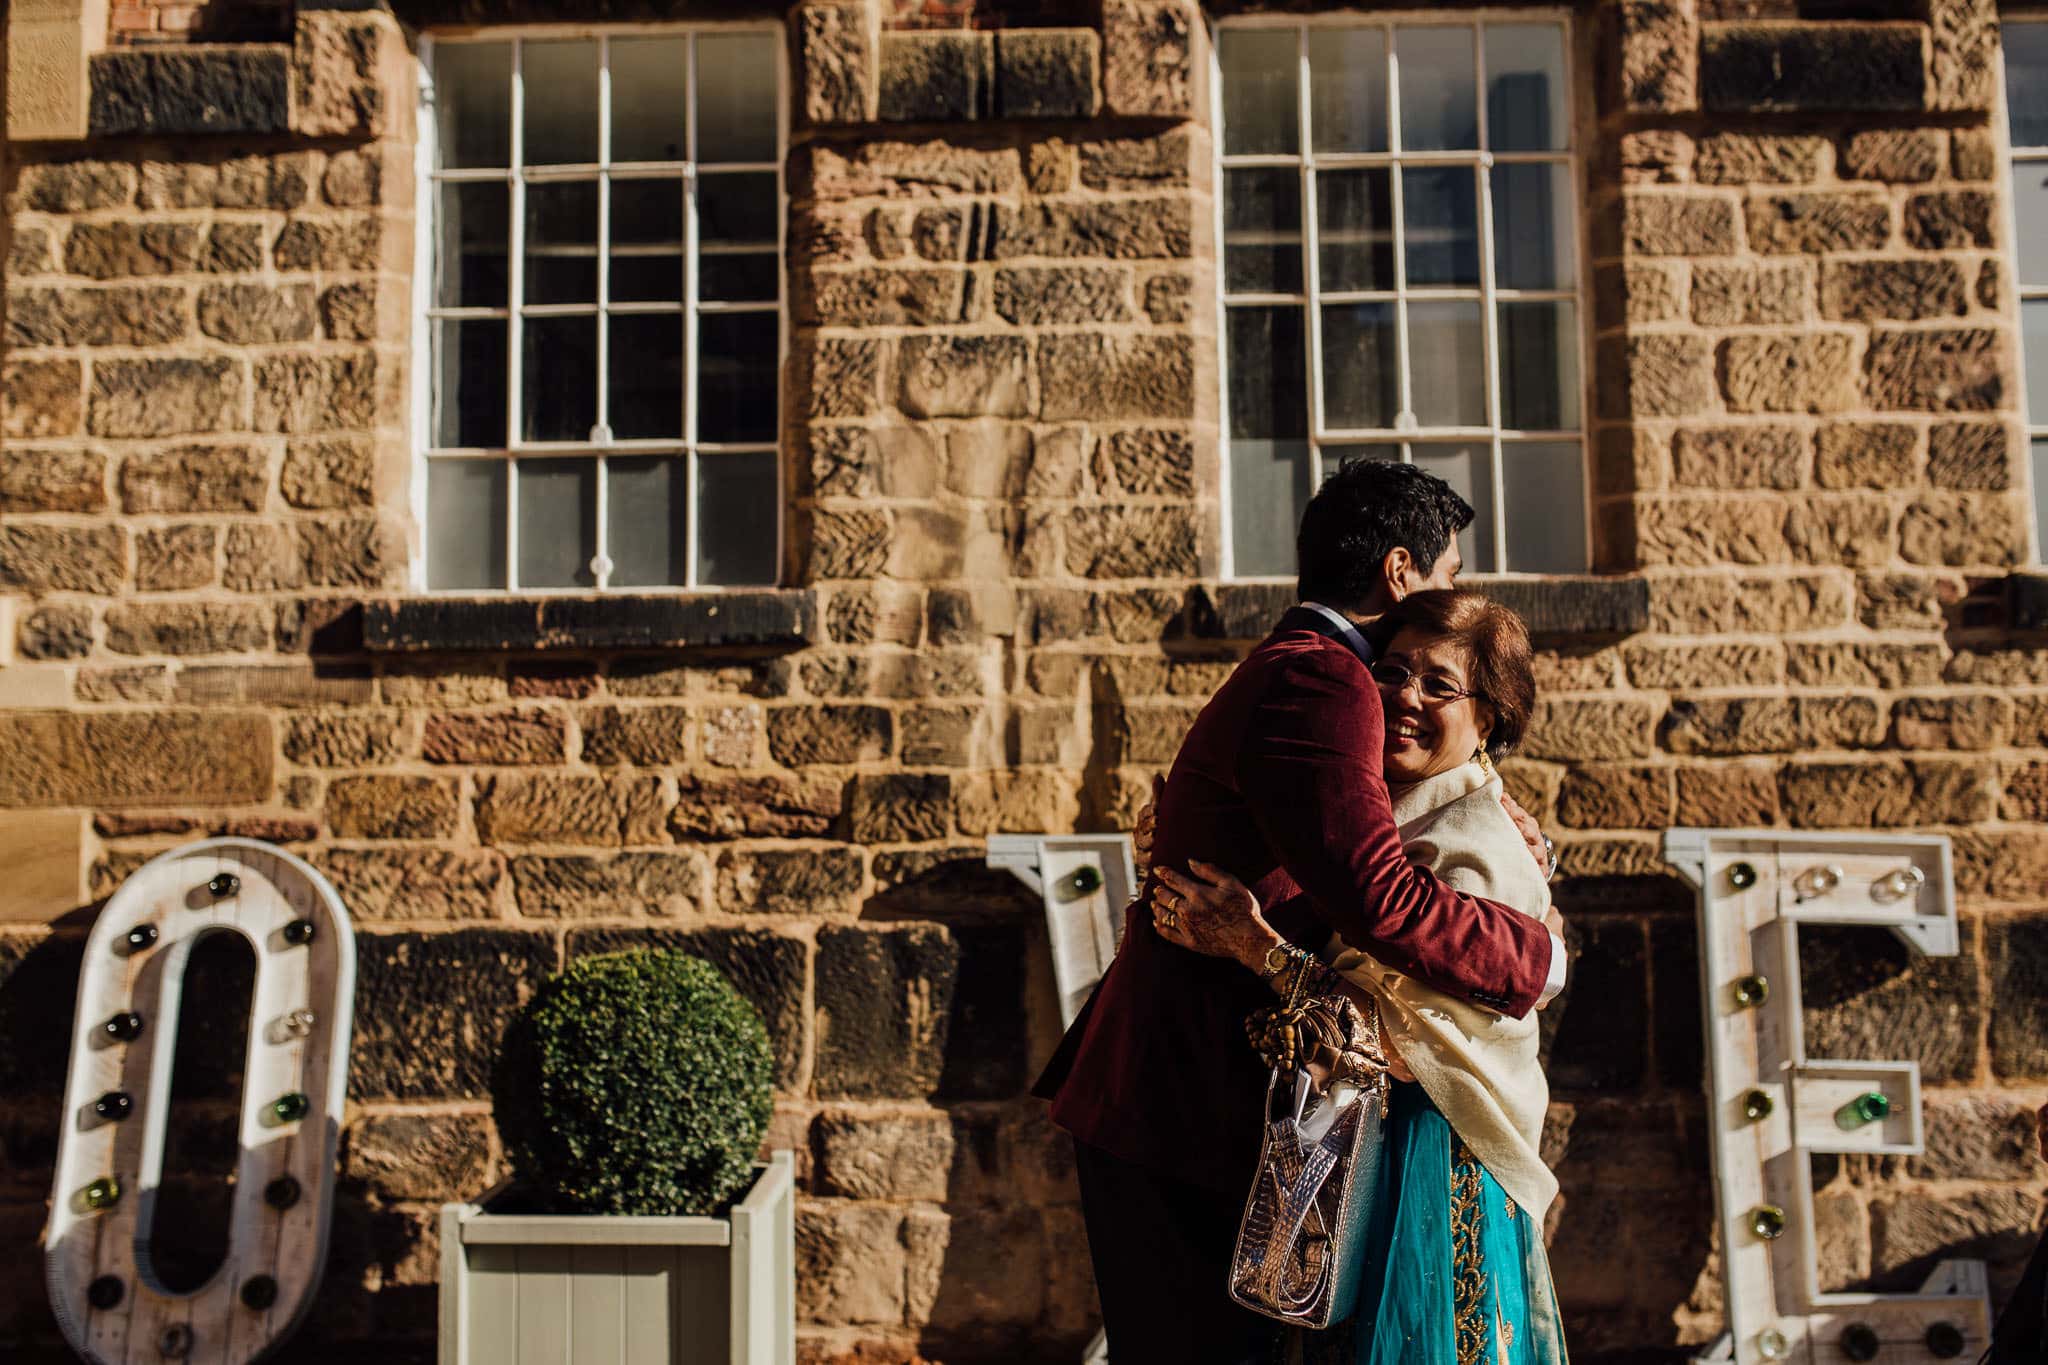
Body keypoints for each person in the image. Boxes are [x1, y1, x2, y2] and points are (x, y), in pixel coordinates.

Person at [1032, 461, 1567, 1364]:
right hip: (1185, 1108)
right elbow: (1382, 900)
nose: (1453, 592)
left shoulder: (1319, 678)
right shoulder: (1322, 681)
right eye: (1449, 571)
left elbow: (1362, 858)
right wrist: (1540, 961)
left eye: (1438, 686)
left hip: (1223, 1111)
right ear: (1401, 570)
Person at [1151, 588, 1569, 1365]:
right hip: (1372, 1147)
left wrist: (1256, 946)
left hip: (1436, 1162)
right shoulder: (1400, 811)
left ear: (1490, 719)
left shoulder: (1476, 841)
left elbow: (1399, 1044)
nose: (1406, 697)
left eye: (1439, 684)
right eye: (1393, 672)